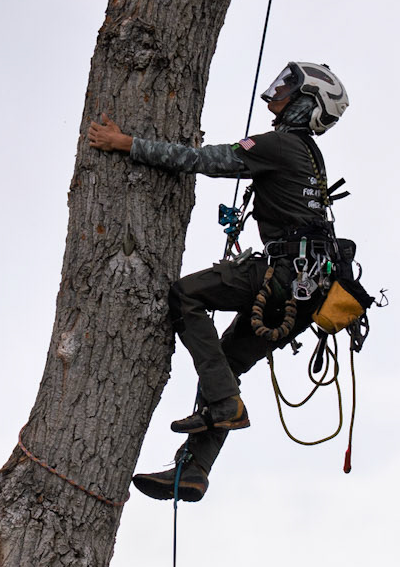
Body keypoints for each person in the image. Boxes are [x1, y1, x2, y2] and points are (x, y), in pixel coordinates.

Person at [87, 60, 349, 503]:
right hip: (309, 289)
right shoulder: (309, 156)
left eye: (289, 88)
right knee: (225, 365)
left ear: (308, 103)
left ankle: (224, 405)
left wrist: (127, 143)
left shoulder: (280, 145)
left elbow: (204, 160)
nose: (277, 94)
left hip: (285, 273)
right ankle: (194, 471)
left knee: (185, 295)